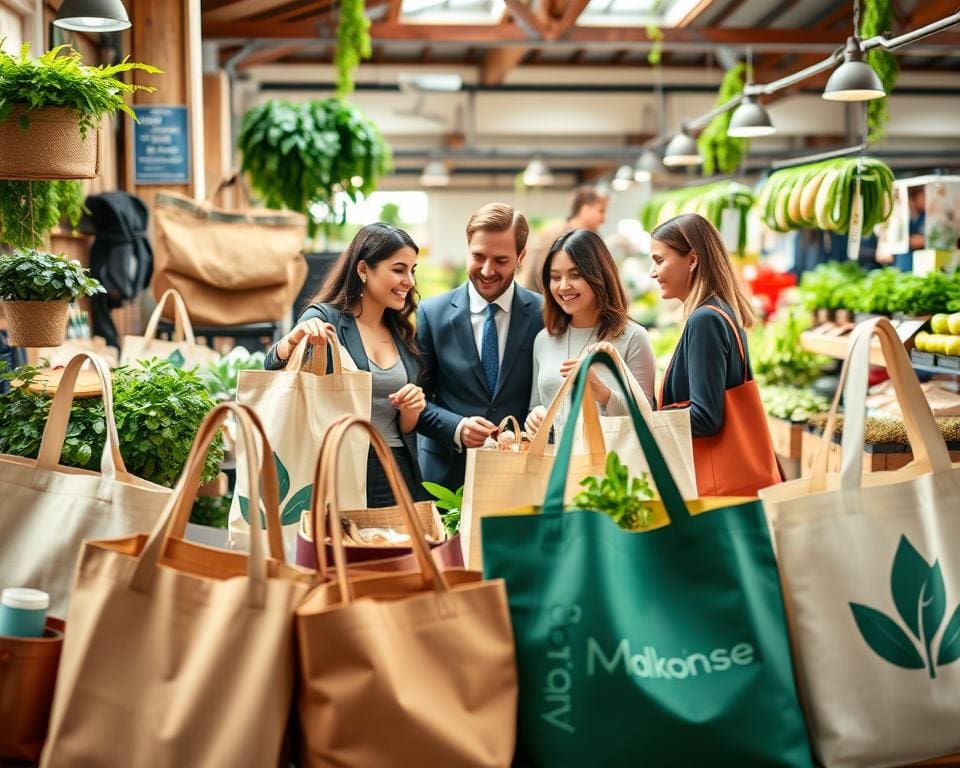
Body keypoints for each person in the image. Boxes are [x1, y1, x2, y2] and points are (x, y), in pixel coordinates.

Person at [264, 223, 429, 507]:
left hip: (397, 467)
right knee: (340, 550)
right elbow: (272, 369)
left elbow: (402, 426)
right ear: (363, 269)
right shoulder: (325, 319)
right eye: (399, 269)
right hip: (340, 465)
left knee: (393, 550)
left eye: (412, 270)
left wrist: (412, 408)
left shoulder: (400, 330)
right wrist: (292, 341)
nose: (409, 281)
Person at [417, 203, 544, 491]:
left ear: (521, 256)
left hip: (522, 480)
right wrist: (457, 428)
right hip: (447, 478)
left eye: (501, 260)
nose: (487, 271)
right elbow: (416, 402)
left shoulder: (544, 314)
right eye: (478, 256)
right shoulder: (432, 313)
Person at [651, 213, 780, 496]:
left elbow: (705, 418)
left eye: (659, 260)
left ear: (693, 259)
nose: (653, 272)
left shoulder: (704, 321)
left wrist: (649, 418)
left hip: (714, 490)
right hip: (732, 484)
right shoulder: (721, 313)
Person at [525, 228, 655, 437]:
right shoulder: (544, 339)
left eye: (575, 275)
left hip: (612, 465)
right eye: (555, 277)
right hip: (557, 465)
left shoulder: (633, 337)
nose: (564, 286)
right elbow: (537, 405)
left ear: (598, 276)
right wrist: (536, 415)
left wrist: (602, 392)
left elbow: (647, 418)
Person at [518, 186, 609, 291]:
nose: (604, 219)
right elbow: (543, 277)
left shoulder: (593, 240)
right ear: (585, 208)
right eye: (601, 211)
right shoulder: (554, 235)